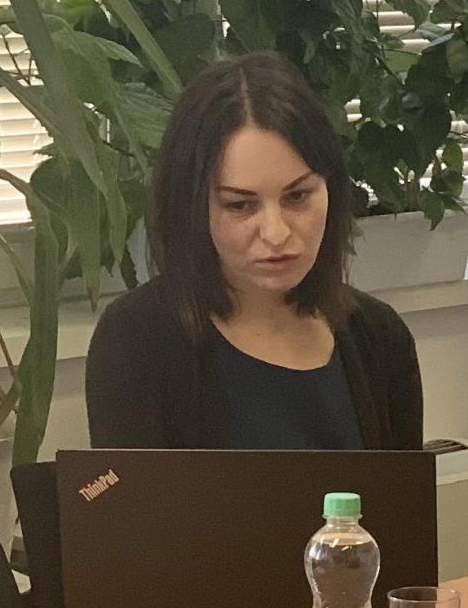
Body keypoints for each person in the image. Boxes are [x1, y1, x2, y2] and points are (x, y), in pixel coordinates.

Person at [85, 52, 423, 450]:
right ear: (192, 207)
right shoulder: (137, 341)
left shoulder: (380, 337)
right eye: (240, 205)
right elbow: (131, 493)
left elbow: (403, 491)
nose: (276, 233)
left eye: (297, 196)